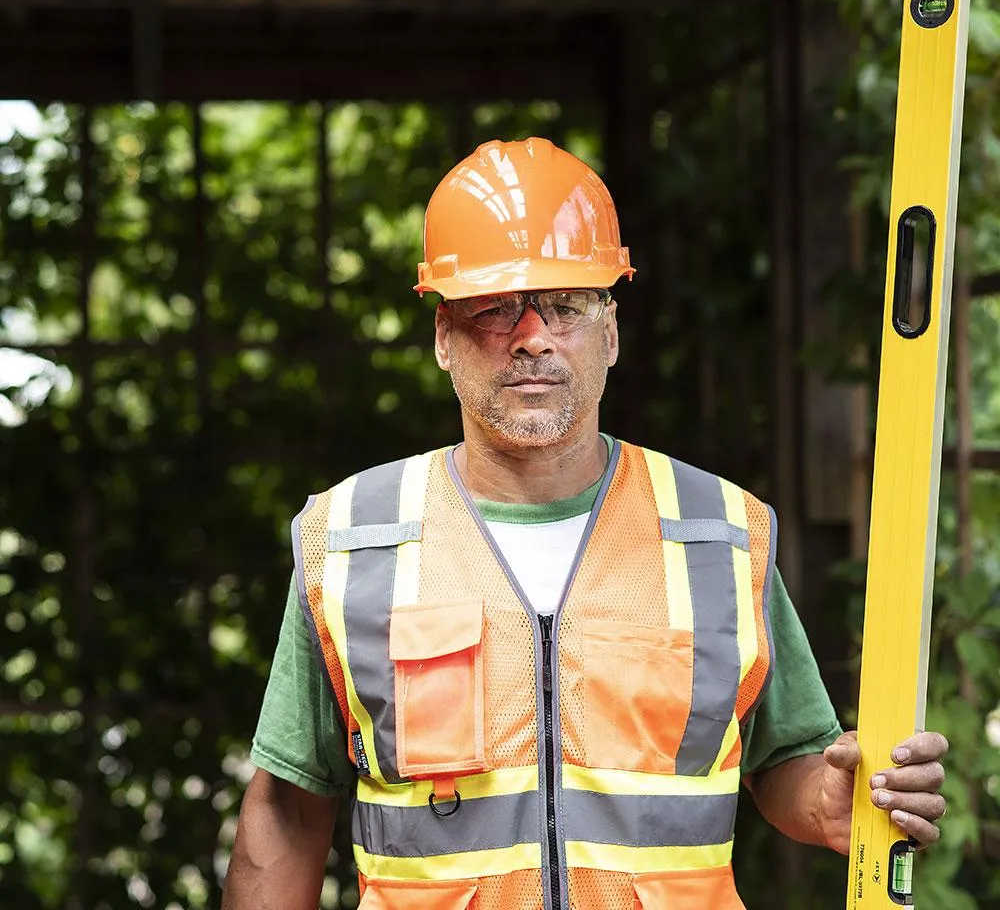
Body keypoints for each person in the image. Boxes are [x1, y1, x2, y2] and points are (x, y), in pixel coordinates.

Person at [222, 138, 948, 910]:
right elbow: (289, 807)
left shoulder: (721, 531)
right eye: (496, 308)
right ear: (443, 337)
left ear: (610, 331)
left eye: (565, 305)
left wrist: (830, 802)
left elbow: (787, 759)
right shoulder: (353, 539)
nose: (532, 336)